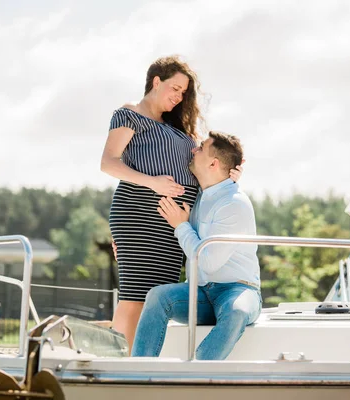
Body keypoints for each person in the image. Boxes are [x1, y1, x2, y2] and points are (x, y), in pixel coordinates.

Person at [100, 56, 241, 351]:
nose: (178, 97)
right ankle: (117, 364)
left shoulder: (179, 130)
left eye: (183, 93)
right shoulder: (129, 115)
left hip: (173, 225)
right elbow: (108, 163)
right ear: (156, 82)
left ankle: (140, 361)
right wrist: (154, 183)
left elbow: (206, 169)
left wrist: (231, 176)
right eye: (174, 88)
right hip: (140, 215)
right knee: (134, 295)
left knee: (154, 297)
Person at [131, 131, 261, 360]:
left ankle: (195, 373)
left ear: (213, 163)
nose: (194, 150)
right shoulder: (203, 194)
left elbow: (208, 262)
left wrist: (181, 226)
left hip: (238, 290)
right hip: (200, 292)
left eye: (200, 147)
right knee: (157, 296)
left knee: (236, 311)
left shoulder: (234, 203)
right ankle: (140, 371)